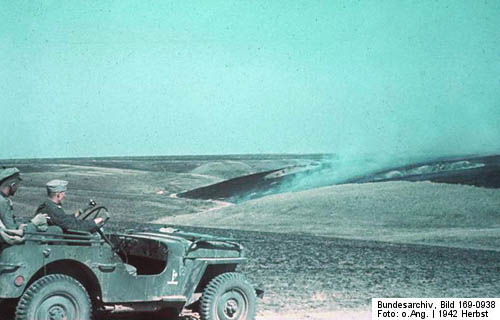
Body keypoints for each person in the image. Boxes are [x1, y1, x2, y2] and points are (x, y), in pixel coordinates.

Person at [0, 168, 48, 244]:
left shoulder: (3, 199)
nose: (17, 188)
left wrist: (24, 224)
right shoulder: (2, 202)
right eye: (17, 186)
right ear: (12, 185)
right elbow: (11, 233)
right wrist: (33, 223)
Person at [35, 179, 104, 233]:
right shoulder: (54, 210)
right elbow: (74, 227)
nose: (65, 196)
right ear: (58, 195)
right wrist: (94, 222)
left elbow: (64, 219)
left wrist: (82, 210)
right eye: (63, 193)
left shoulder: (46, 206)